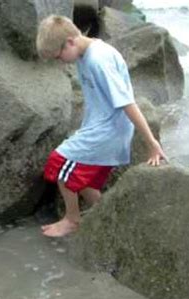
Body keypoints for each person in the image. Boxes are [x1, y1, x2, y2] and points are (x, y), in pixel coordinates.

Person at [36, 15, 167, 238]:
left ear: (70, 41)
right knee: (82, 179)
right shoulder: (85, 52)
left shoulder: (99, 60)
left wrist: (151, 142)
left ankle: (72, 219)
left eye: (59, 56)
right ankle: (110, 219)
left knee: (59, 163)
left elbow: (127, 102)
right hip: (100, 125)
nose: (61, 61)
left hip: (109, 129)